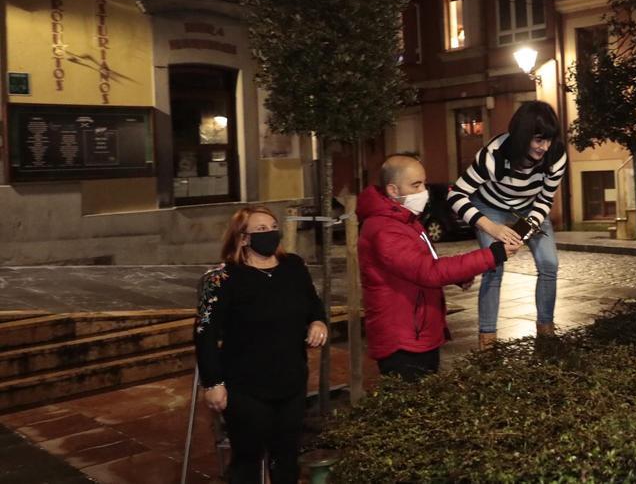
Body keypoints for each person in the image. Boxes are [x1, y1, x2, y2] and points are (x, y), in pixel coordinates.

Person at [194, 206, 327, 484]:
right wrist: (212, 383)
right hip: (245, 386)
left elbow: (313, 304)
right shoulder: (220, 279)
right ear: (243, 238)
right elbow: (204, 333)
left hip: (291, 381)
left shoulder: (293, 266)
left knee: (287, 456)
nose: (271, 234)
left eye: (273, 227)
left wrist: (318, 322)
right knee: (247, 458)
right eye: (261, 230)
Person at [357, 154, 515, 380]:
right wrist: (492, 255)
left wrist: (459, 276)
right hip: (402, 339)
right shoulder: (384, 229)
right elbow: (428, 271)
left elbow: (425, 262)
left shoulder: (405, 220)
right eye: (416, 185)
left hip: (418, 331)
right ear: (393, 190)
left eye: (424, 183)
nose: (424, 191)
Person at [447, 100, 567, 349]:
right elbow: (456, 195)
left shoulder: (556, 155)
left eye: (548, 140)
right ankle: (487, 338)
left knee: (549, 264)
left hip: (530, 207)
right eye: (538, 140)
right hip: (490, 207)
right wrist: (493, 229)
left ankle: (546, 330)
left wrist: (521, 233)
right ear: (522, 136)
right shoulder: (493, 157)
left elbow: (545, 199)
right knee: (494, 266)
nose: (544, 147)